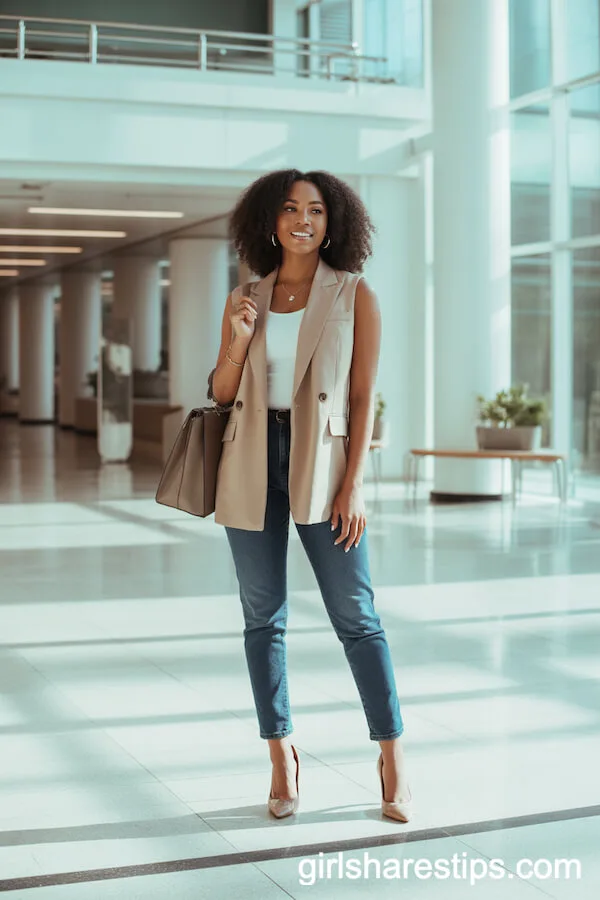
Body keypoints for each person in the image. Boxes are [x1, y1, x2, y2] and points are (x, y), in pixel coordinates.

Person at [207, 169, 411, 822]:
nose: (303, 219)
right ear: (269, 220)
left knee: (356, 614)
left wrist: (353, 487)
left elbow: (361, 399)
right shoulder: (246, 293)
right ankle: (281, 754)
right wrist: (238, 339)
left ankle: (392, 755)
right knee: (262, 617)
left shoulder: (355, 294)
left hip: (322, 466)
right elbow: (219, 392)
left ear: (333, 223)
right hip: (248, 461)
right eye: (291, 208)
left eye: (317, 210)